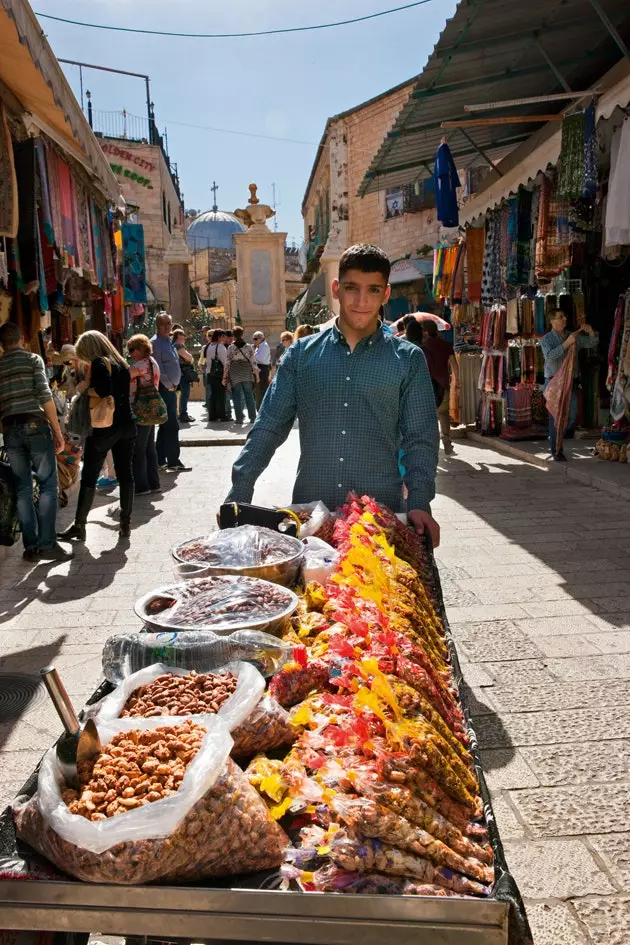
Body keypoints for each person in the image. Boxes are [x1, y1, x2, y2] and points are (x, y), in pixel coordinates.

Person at [224, 243, 440, 545]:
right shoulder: (301, 354)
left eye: (373, 290)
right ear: (336, 289)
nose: (362, 301)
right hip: (313, 523)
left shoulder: (408, 359)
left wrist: (419, 501)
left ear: (386, 294)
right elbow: (269, 426)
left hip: (381, 520)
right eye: (352, 288)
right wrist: (240, 491)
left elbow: (421, 438)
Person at [0, 322, 72, 562]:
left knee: (22, 488)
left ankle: (30, 547)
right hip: (35, 426)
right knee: (48, 486)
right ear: (22, 339)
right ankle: (47, 544)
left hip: (11, 428)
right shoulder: (32, 360)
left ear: (2, 344)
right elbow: (45, 396)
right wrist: (57, 432)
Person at [59, 330, 136, 542]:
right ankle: (126, 524)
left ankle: (80, 526)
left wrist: (85, 390)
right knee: (125, 474)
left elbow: (103, 391)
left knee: (89, 477)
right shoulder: (120, 363)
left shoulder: (100, 363)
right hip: (127, 425)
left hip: (105, 428)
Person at [540, 310, 598, 461]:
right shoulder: (546, 339)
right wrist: (567, 343)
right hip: (553, 381)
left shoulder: (573, 335)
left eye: (565, 316)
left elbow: (592, 342)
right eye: (561, 317)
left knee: (571, 416)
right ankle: (556, 450)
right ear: (552, 321)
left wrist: (591, 332)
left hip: (570, 382)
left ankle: (554, 438)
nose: (565, 318)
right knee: (555, 417)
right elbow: (550, 356)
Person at [151, 312, 190, 472]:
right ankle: (173, 460)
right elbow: (157, 367)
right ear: (158, 326)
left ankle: (160, 459)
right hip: (165, 388)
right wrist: (168, 384)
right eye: (163, 324)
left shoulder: (169, 342)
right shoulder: (155, 343)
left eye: (169, 323)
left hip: (172, 388)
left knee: (166, 425)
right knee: (172, 425)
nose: (167, 327)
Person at [128, 334, 161, 496]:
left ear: (140, 349)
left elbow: (125, 376)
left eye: (132, 350)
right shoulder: (153, 362)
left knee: (138, 449)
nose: (131, 353)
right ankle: (154, 483)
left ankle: (142, 486)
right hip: (152, 408)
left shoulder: (140, 364)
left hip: (141, 409)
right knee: (149, 448)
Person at [422, 320, 460, 456]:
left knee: (430, 416)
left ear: (425, 331)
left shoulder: (423, 346)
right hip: (443, 384)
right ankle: (446, 441)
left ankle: (432, 444)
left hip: (427, 386)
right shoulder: (445, 345)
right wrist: (457, 381)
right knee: (443, 414)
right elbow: (454, 364)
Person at [225, 328, 259, 425]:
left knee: (236, 397)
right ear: (242, 334)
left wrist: (224, 377)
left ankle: (239, 419)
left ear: (234, 335)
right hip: (246, 372)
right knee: (249, 396)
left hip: (234, 372)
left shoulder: (231, 348)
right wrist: (257, 375)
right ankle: (253, 418)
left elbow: (227, 363)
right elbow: (253, 361)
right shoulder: (248, 347)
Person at [173, 328, 196, 424]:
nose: (184, 339)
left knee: (179, 394)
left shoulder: (173, 345)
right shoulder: (178, 346)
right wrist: (191, 359)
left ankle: (179, 413)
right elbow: (189, 357)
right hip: (183, 374)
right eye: (182, 337)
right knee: (184, 394)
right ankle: (183, 414)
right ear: (178, 338)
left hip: (177, 373)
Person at [205, 329, 228, 421]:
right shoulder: (221, 347)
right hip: (219, 374)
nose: (225, 338)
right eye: (223, 336)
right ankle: (222, 415)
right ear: (219, 337)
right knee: (221, 396)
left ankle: (212, 415)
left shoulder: (209, 346)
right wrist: (225, 377)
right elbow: (225, 363)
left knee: (213, 395)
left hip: (210, 373)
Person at [252, 331, 272, 408]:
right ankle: (260, 407)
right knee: (258, 390)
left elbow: (260, 359)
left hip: (262, 369)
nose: (254, 340)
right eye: (253, 339)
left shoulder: (264, 346)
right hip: (260, 369)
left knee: (262, 389)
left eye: (255, 339)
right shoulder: (260, 346)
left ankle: (263, 407)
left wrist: (252, 356)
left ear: (261, 338)